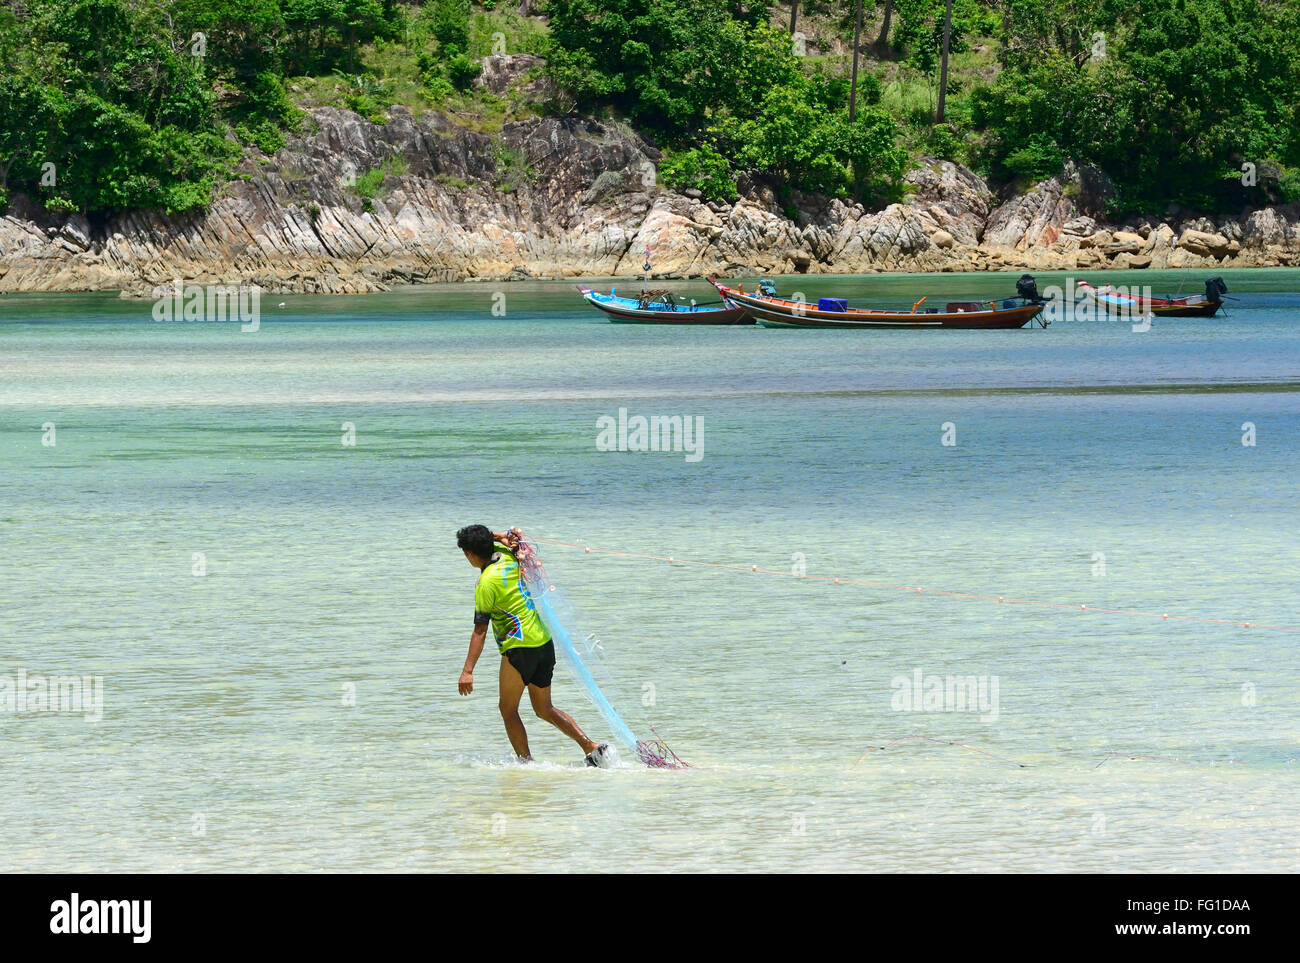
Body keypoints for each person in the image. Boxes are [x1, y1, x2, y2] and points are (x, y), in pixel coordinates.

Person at [456, 524, 610, 767]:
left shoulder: (485, 583)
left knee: (508, 710)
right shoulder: (507, 555)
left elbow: (480, 630)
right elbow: (509, 538)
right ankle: (591, 747)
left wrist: (467, 671)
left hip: (519, 649)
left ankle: (526, 764)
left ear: (470, 554)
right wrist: (493, 535)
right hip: (543, 642)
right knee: (543, 708)